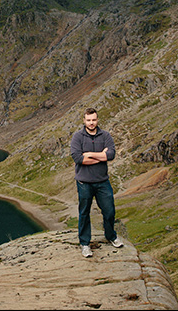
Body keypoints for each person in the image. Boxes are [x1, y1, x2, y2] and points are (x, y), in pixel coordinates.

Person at [70, 107, 124, 257]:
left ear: (97, 120)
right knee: (84, 213)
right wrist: (102, 156)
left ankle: (111, 236)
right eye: (89, 120)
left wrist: (91, 155)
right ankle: (85, 243)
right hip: (84, 182)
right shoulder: (77, 137)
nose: (91, 123)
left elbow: (111, 154)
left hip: (102, 182)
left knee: (109, 211)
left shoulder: (105, 135)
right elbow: (78, 158)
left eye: (94, 120)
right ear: (84, 121)